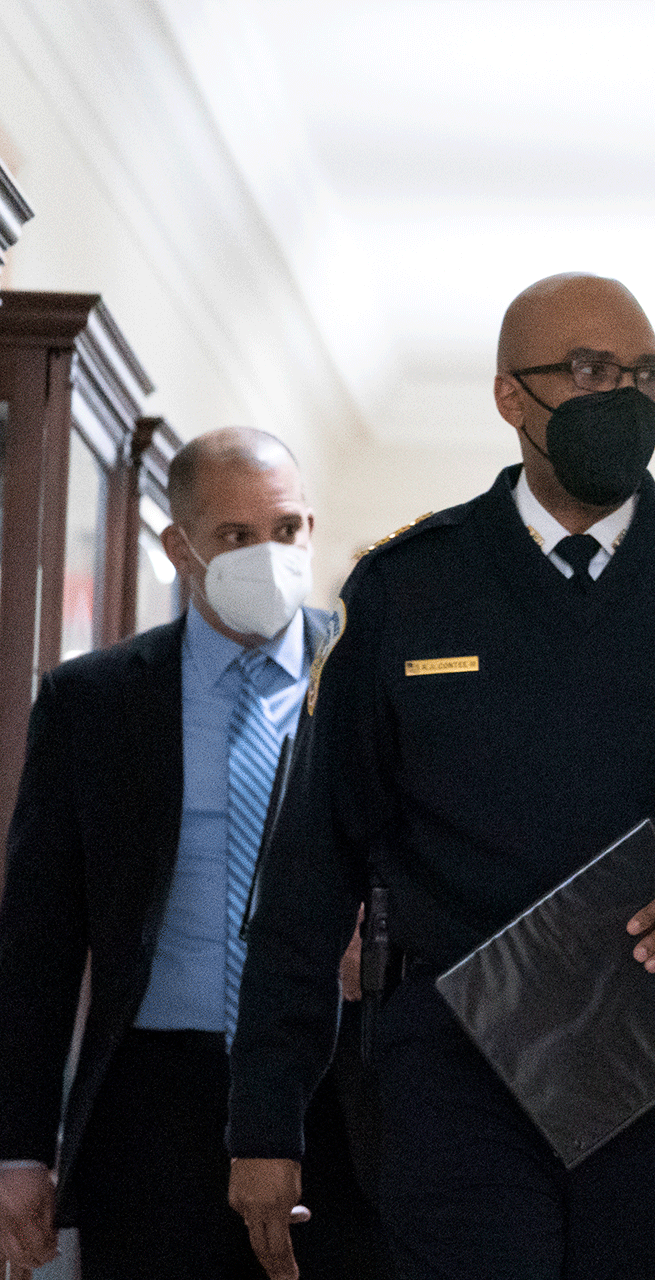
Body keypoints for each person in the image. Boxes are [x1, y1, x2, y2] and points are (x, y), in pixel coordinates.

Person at [225, 273, 655, 1280]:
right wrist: (263, 1116)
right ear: (510, 396)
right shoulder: (410, 586)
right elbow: (313, 861)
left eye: (645, 373)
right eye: (587, 370)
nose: (624, 396)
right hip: (453, 1062)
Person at [0, 428, 386, 1279]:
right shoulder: (92, 703)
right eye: (235, 537)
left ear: (312, 530)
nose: (268, 555)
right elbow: (36, 944)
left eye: (285, 530)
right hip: (158, 1102)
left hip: (337, 1096)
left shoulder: (371, 680)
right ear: (180, 548)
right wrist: (19, 1151)